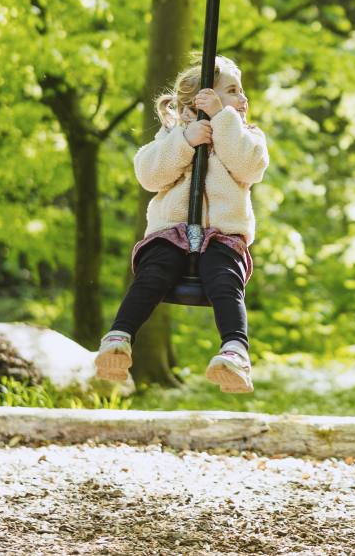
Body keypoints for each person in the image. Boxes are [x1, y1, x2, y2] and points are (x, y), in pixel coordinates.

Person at [94, 55, 268, 393]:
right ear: (200, 98)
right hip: (171, 231)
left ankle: (234, 350)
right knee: (153, 270)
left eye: (241, 91)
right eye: (232, 91)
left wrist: (223, 119)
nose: (243, 98)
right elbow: (149, 174)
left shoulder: (246, 135)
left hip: (223, 234)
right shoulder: (174, 135)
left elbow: (250, 168)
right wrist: (186, 141)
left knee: (225, 278)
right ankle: (119, 337)